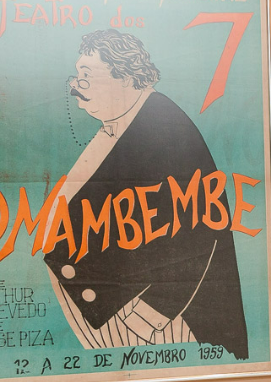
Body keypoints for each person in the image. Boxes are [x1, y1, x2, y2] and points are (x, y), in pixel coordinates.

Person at [42, 29, 249, 357]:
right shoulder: (122, 120)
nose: (75, 85)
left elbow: (200, 232)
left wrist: (149, 318)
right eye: (75, 75)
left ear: (124, 77)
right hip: (120, 315)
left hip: (162, 327)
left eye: (86, 76)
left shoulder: (165, 127)